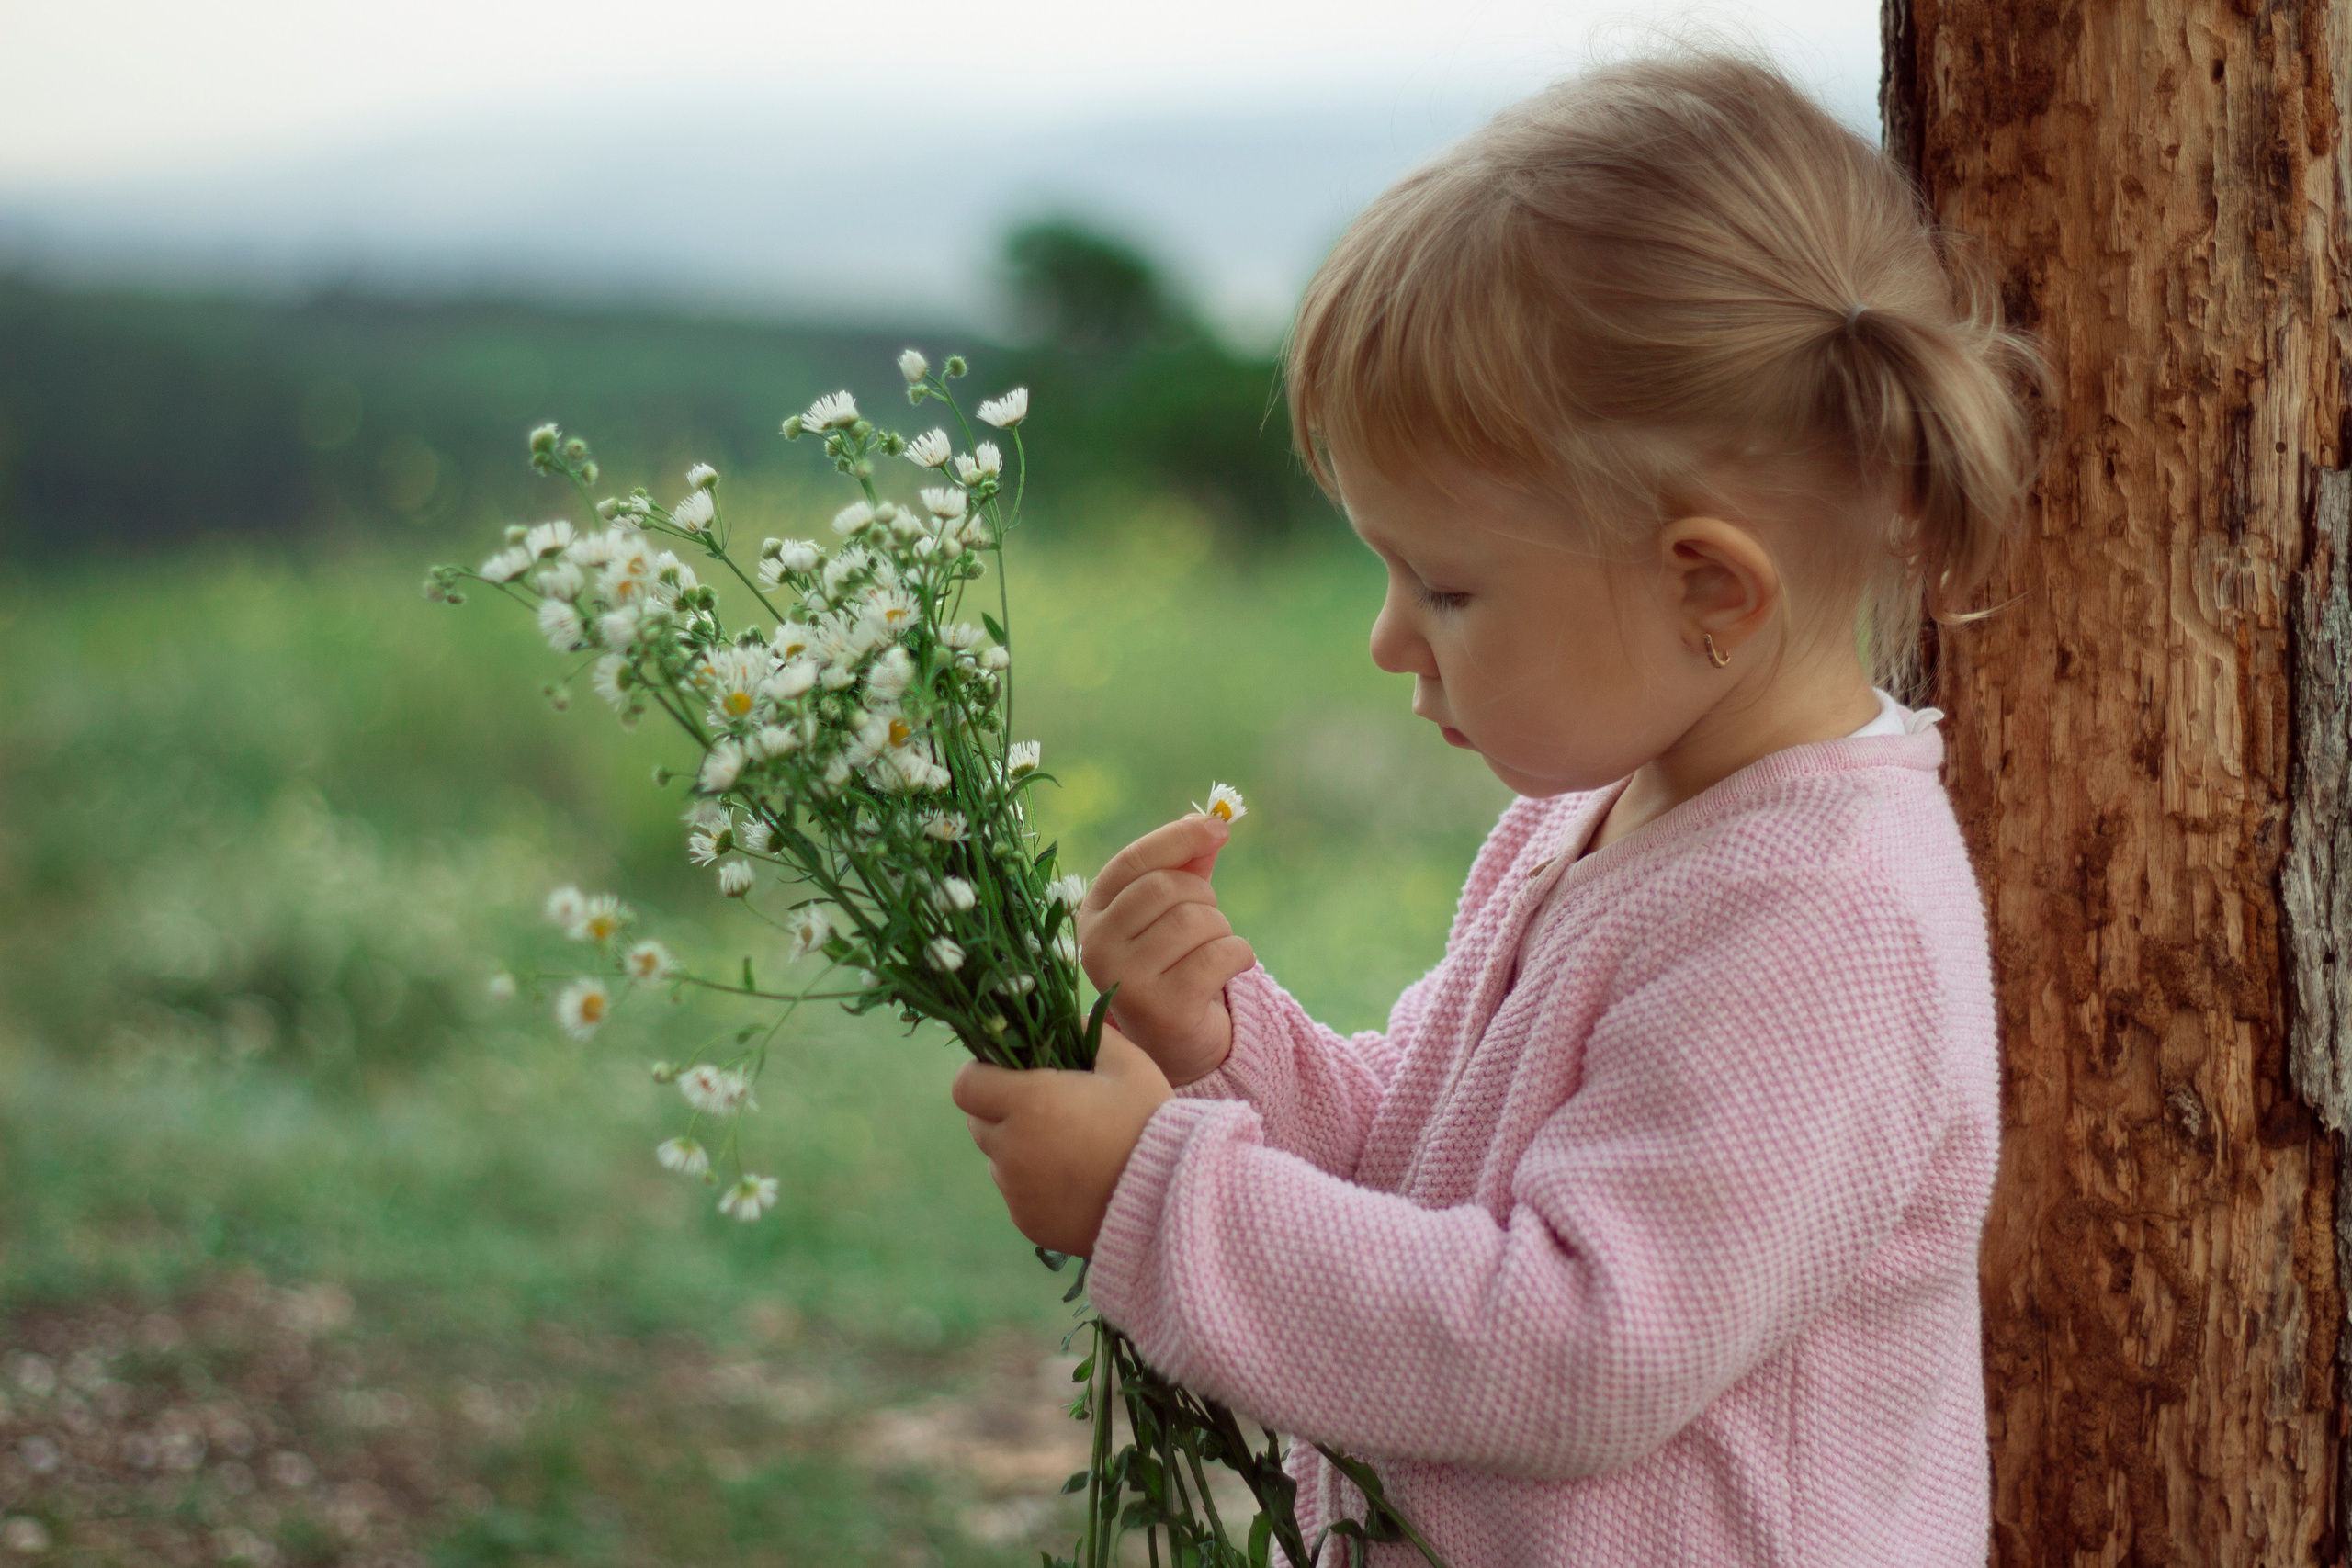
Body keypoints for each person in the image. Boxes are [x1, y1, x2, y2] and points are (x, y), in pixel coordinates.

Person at [952, 47, 2044, 1565]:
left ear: (1710, 587)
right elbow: (1425, 1159)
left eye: (1448, 586)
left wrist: (1160, 1201)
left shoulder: (1828, 921)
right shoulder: (1594, 818)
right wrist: (1226, 1048)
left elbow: (1585, 1342)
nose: (1390, 638)